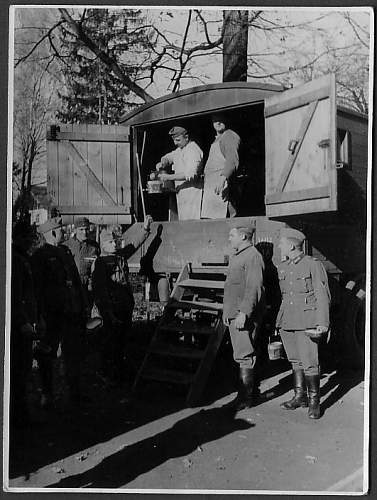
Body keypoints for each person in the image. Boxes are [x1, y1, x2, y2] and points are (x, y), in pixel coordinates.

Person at [31, 217, 87, 409]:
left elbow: (75, 281)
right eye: (61, 230)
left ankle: (74, 394)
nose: (64, 232)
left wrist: (82, 306)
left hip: (71, 312)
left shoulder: (65, 252)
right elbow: (37, 289)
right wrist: (39, 316)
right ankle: (48, 393)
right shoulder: (40, 256)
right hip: (51, 314)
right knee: (47, 353)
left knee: (72, 353)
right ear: (52, 233)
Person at [276, 228, 330, 419]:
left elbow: (322, 295)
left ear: (291, 245)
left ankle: (315, 402)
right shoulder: (284, 266)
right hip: (287, 320)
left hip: (307, 320)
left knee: (310, 362)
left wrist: (322, 323)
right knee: (295, 360)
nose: (279, 246)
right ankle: (299, 396)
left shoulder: (312, 265)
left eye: (281, 243)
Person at [92, 215, 153, 384]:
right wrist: (108, 313)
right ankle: (106, 374)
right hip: (112, 310)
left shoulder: (119, 257)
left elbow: (134, 244)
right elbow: (101, 292)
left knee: (121, 342)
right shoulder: (100, 264)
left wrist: (146, 229)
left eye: (115, 242)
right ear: (103, 245)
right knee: (110, 343)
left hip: (124, 308)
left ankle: (118, 374)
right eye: (111, 242)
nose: (115, 244)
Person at [222, 223, 266, 411]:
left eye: (232, 235)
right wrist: (227, 312)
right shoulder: (239, 256)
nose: (229, 238)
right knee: (240, 354)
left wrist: (244, 313)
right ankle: (245, 395)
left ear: (243, 236)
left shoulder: (253, 256)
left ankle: (245, 398)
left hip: (243, 315)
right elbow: (231, 288)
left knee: (244, 355)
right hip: (234, 313)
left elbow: (254, 288)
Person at [10, 221, 41, 426]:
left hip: (27, 323)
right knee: (18, 372)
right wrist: (22, 322)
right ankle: (18, 419)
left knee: (24, 371)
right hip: (18, 328)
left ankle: (21, 415)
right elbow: (15, 296)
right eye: (28, 236)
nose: (31, 240)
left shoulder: (24, 259)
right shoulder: (15, 260)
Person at [157, 126, 203, 220]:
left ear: (186, 137)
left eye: (178, 140)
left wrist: (168, 177)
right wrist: (163, 161)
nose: (175, 143)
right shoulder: (181, 148)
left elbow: (190, 174)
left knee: (191, 224)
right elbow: (171, 156)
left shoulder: (193, 150)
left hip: (192, 193)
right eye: (174, 140)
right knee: (183, 223)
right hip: (182, 193)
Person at [201, 114, 241, 219]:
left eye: (221, 119)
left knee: (224, 220)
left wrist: (223, 178)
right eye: (215, 120)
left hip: (222, 185)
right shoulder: (217, 139)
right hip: (212, 187)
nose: (218, 123)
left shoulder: (229, 135)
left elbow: (232, 159)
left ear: (226, 120)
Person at [63, 217, 100, 303]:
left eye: (86, 229)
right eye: (81, 229)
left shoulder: (94, 247)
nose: (84, 232)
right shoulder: (66, 246)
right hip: (71, 287)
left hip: (88, 288)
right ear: (75, 230)